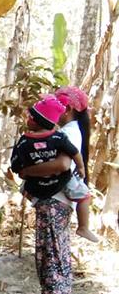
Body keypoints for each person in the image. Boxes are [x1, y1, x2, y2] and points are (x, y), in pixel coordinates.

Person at [9, 97, 78, 294]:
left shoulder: (62, 136)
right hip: (51, 201)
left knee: (51, 258)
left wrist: (28, 171)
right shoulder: (60, 134)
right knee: (54, 256)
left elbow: (63, 165)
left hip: (53, 201)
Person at [54, 86, 99, 242]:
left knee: (53, 252)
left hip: (59, 196)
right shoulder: (68, 131)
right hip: (60, 195)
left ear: (67, 109)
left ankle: (83, 227)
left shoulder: (67, 133)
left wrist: (31, 170)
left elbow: (62, 165)